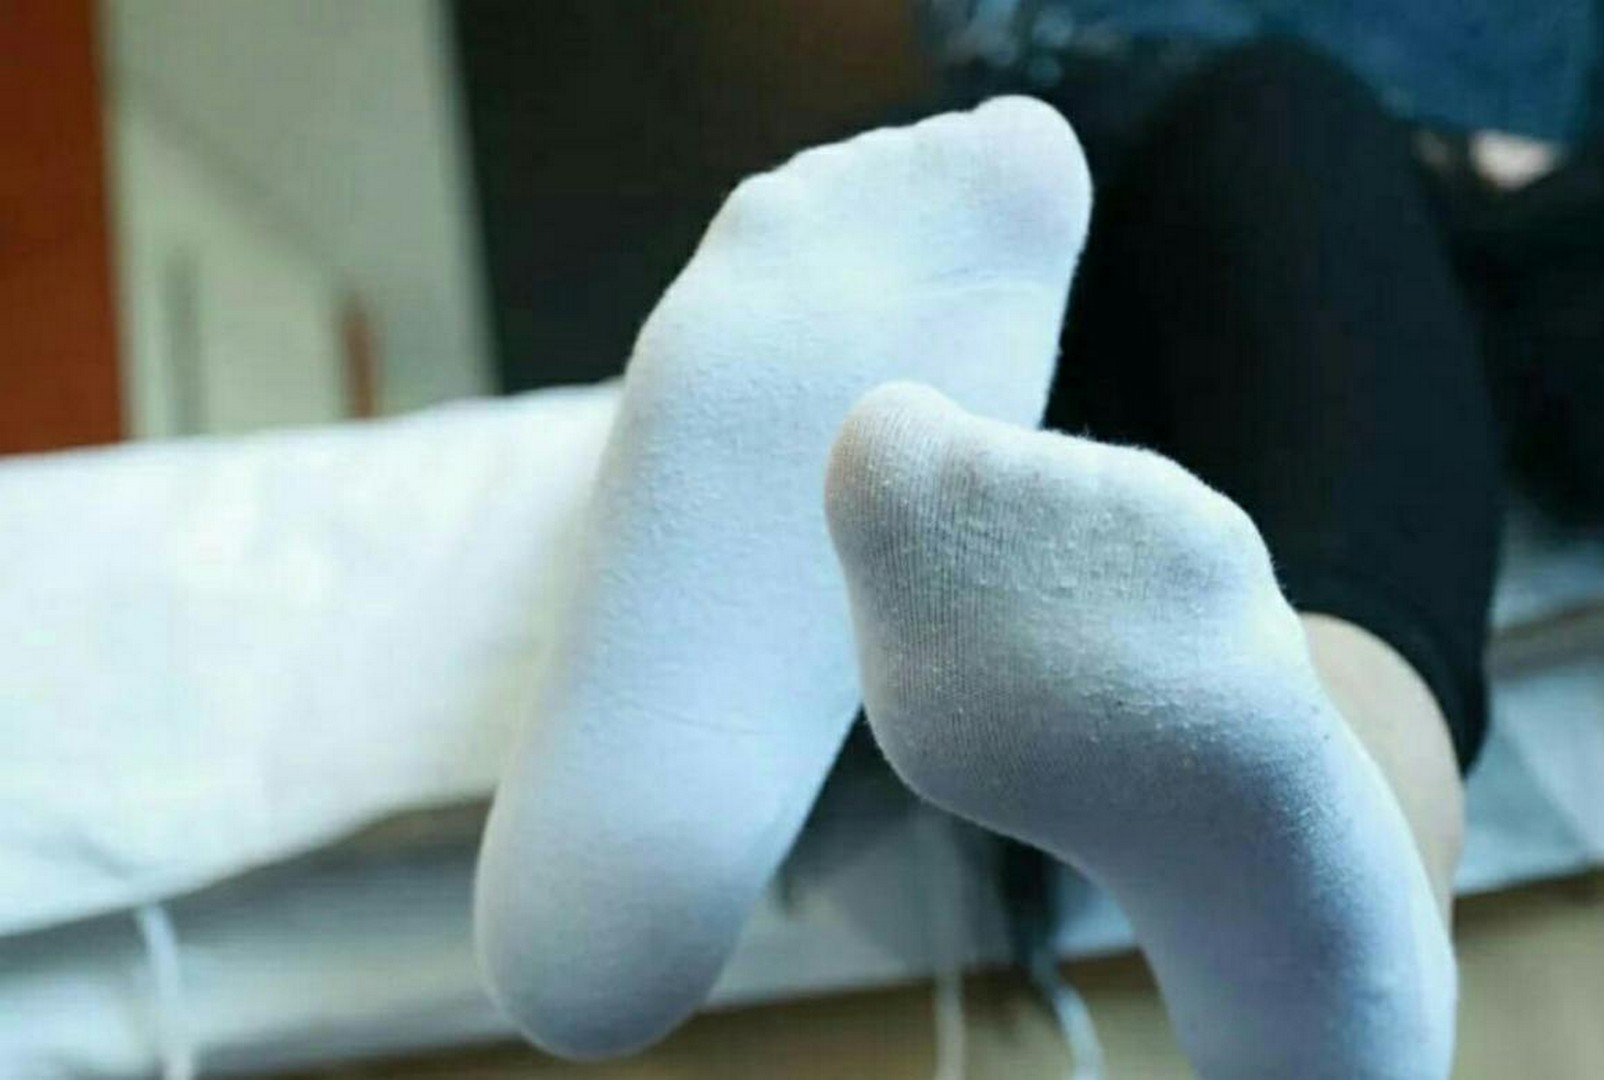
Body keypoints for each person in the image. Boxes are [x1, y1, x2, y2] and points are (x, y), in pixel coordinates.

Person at [474, 37, 1500, 1080]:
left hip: (1148, 209)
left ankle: (616, 882)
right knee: (1228, 160)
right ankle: (1346, 900)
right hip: (1053, 264)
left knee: (1273, 131)